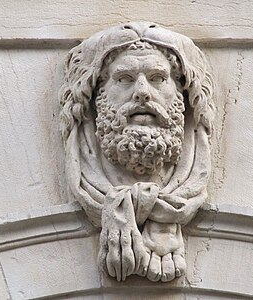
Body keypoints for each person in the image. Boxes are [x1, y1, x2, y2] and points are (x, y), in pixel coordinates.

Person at [59, 22, 214, 282]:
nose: (142, 93)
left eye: (157, 78)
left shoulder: (192, 167)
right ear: (95, 96)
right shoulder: (86, 165)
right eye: (124, 79)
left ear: (183, 94)